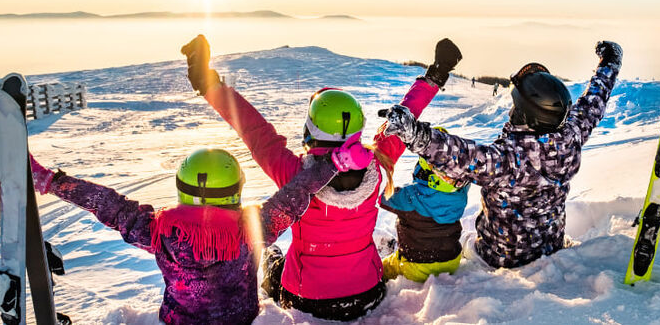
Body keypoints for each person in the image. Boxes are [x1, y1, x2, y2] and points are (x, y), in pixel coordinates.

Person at [181, 35, 461, 321]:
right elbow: (404, 118)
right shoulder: (378, 165)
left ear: (311, 129)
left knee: (273, 261)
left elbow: (254, 130)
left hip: (306, 299)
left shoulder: (295, 175)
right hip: (368, 292)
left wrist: (209, 84)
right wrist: (435, 75)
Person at [28, 146, 361, 325]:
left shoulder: (159, 229)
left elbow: (109, 205)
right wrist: (334, 163)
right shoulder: (253, 228)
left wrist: (53, 181)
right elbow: (295, 194)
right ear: (235, 191)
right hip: (241, 321)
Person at [380, 41, 622, 269]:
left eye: (516, 106)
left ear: (526, 115)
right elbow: (593, 103)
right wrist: (609, 64)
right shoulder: (571, 136)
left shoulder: (508, 159)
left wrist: (414, 133)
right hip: (551, 246)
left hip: (499, 257)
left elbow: (459, 155)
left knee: (463, 247)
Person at [378, 126, 471, 282]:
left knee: (383, 268)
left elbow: (384, 197)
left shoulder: (411, 197)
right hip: (451, 261)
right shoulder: (460, 194)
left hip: (416, 266)